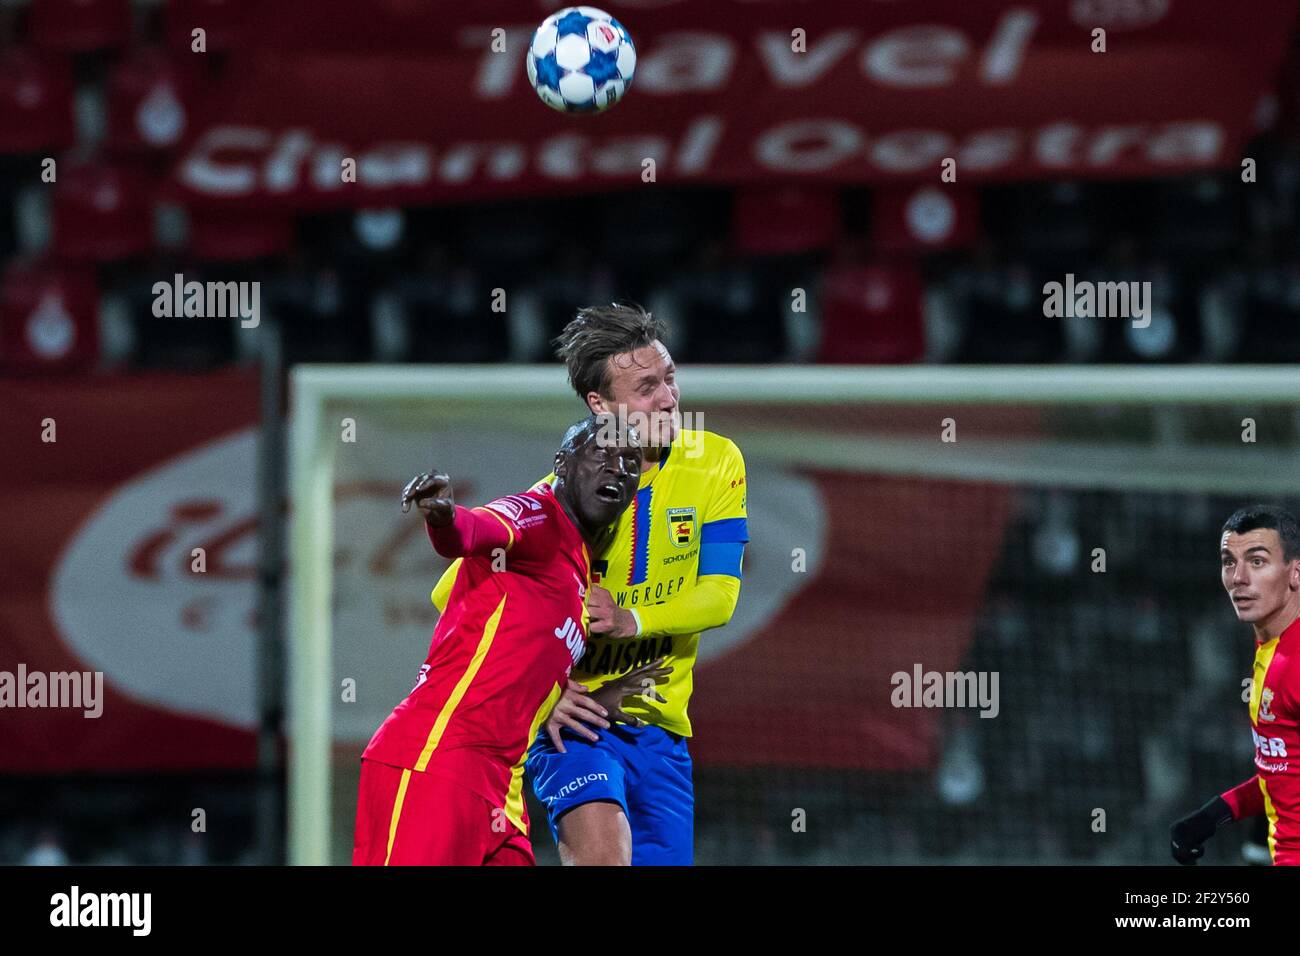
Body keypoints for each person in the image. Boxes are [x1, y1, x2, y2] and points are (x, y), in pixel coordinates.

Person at [434, 303, 749, 865]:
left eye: (670, 378)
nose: (669, 398)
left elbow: (721, 595)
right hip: (577, 726)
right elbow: (451, 596)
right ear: (600, 406)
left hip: (661, 730)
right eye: (646, 386)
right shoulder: (562, 497)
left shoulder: (716, 460)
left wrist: (632, 621)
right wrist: (540, 701)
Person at [353, 414, 667, 865]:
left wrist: (590, 699)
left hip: (502, 791)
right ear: (563, 463)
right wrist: (443, 517)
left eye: (630, 463)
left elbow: (519, 669)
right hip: (436, 761)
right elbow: (473, 531)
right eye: (602, 453)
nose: (617, 467)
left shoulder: (577, 567)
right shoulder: (539, 515)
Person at [1170, 504, 1300, 866]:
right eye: (1230, 561)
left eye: (1257, 561)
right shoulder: (1270, 650)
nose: (1239, 577)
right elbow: (1284, 776)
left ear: (1295, 573)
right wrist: (1211, 817)